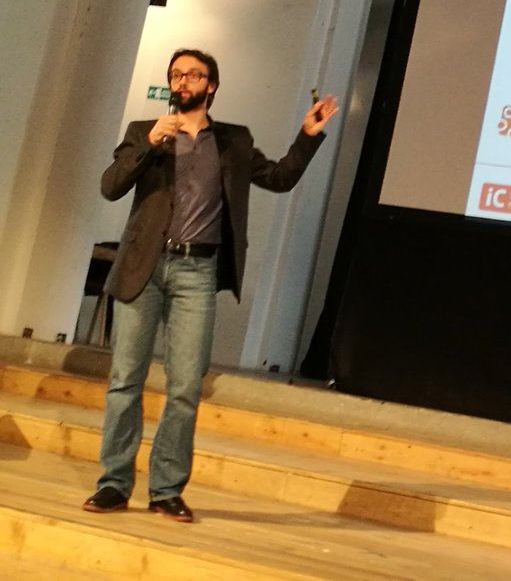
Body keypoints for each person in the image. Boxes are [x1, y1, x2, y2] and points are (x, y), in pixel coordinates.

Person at [82, 48, 338, 522]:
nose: (182, 81)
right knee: (125, 382)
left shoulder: (233, 141)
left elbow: (278, 178)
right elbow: (110, 186)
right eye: (176, 74)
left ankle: (166, 490)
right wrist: (149, 144)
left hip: (196, 271)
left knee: (184, 387)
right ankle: (114, 484)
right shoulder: (144, 131)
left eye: (193, 75)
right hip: (144, 266)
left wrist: (307, 136)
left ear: (211, 85)